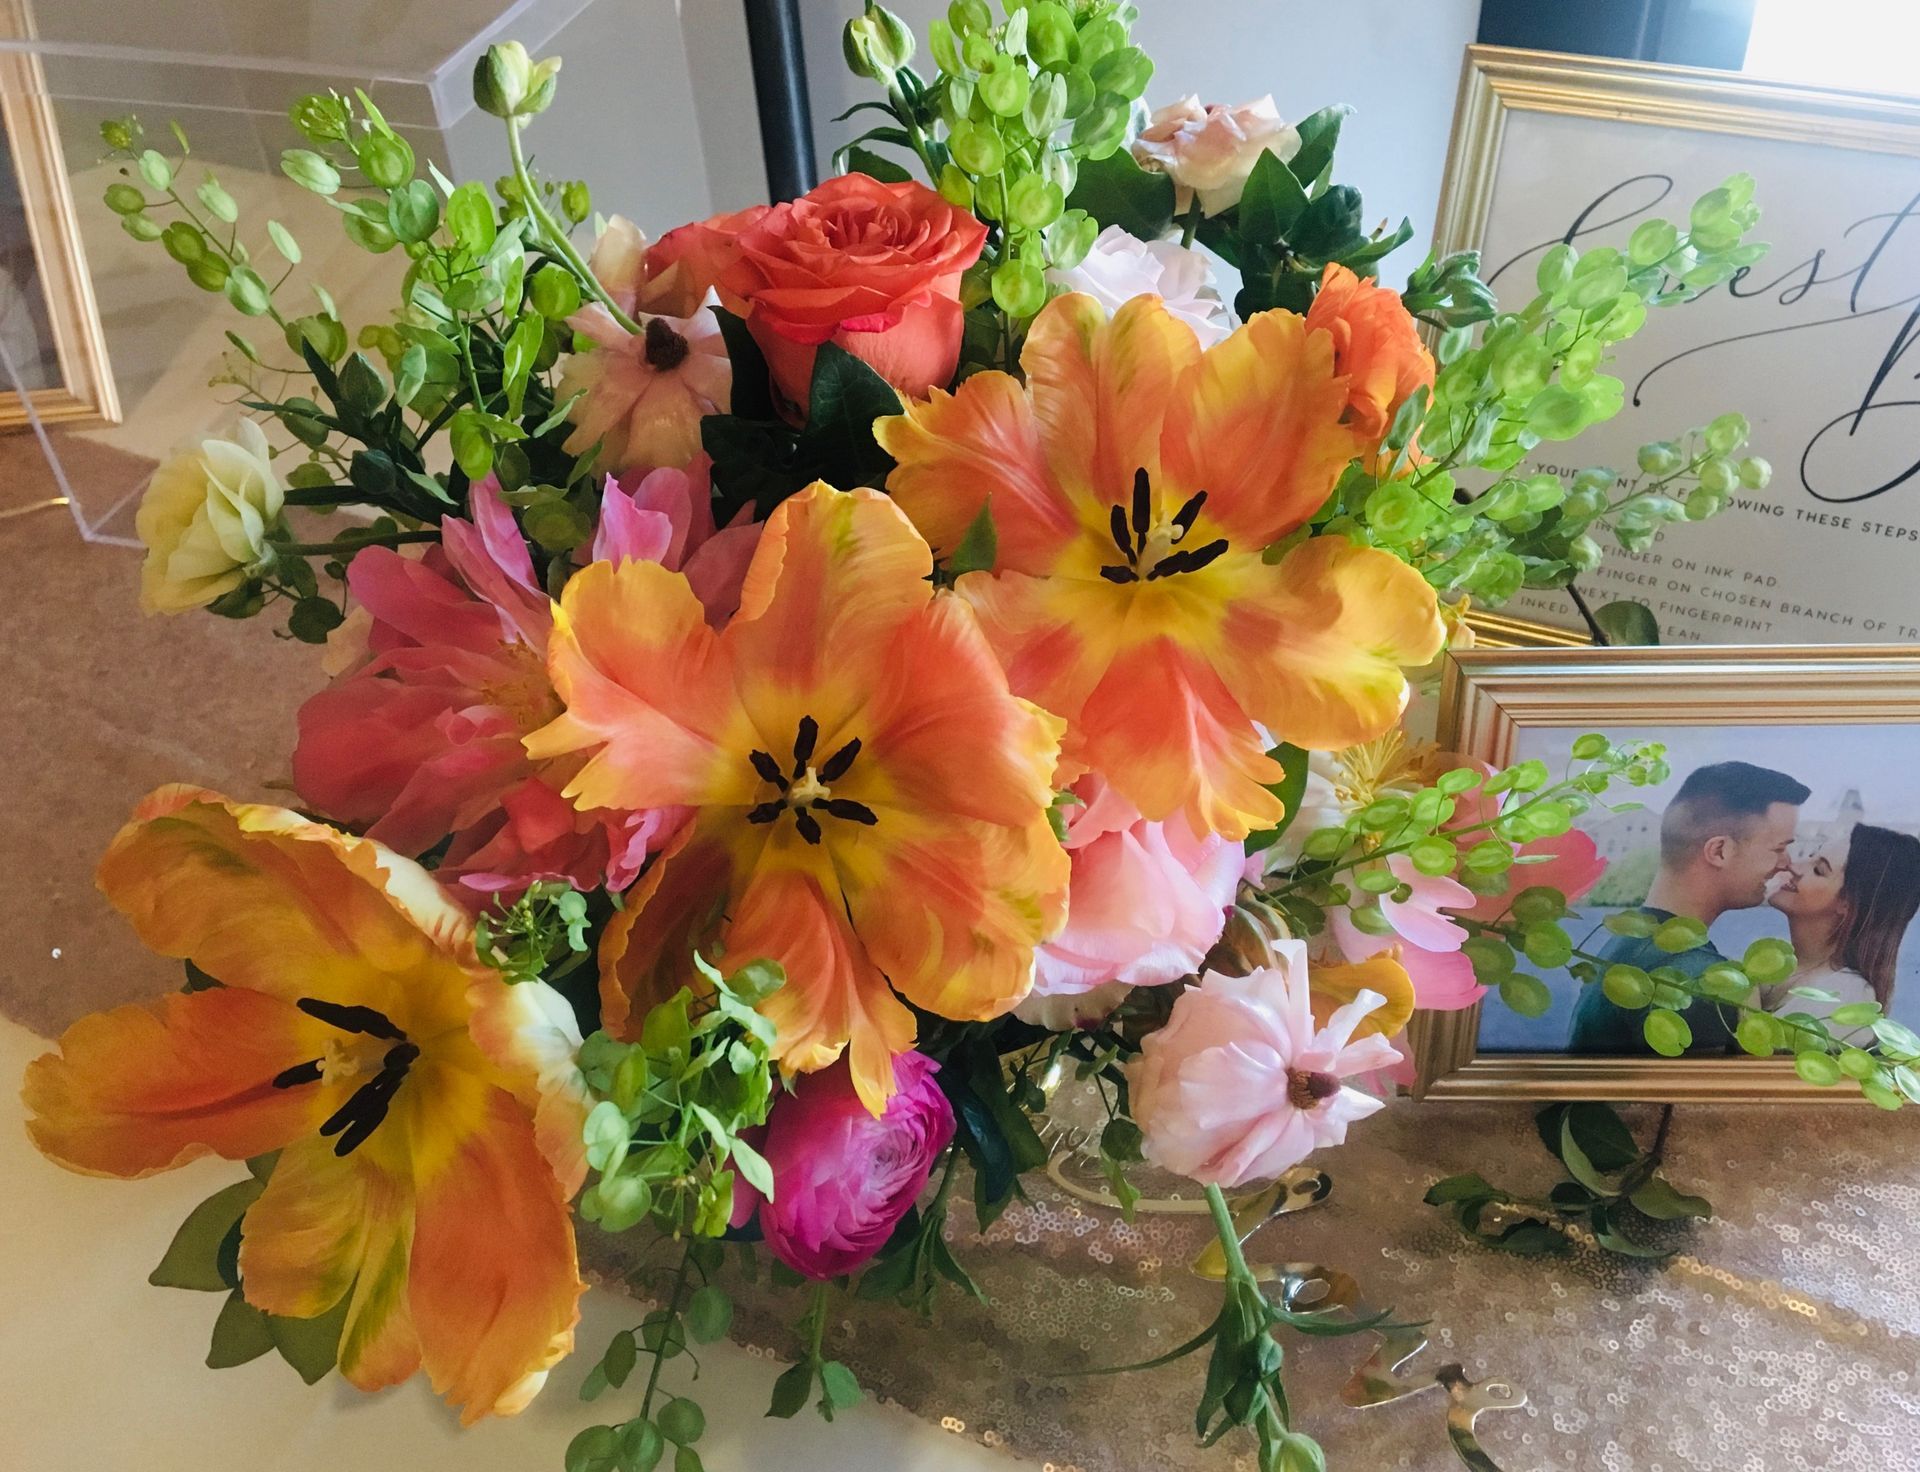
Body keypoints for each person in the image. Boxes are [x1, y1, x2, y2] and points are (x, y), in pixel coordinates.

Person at [1569, 761, 1809, 1053]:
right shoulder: (1698, 982)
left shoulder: (1627, 945)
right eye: (1779, 849)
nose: (1787, 863)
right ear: (1719, 851)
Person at [1764, 823, 1920, 1042]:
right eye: (1811, 855)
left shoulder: (1846, 998)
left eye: (1819, 870)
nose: (1794, 866)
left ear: (1847, 904)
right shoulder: (1773, 966)